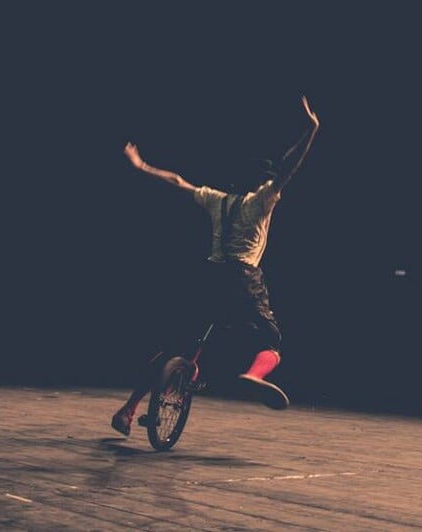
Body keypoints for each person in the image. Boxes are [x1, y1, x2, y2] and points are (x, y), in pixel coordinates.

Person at [111, 94, 320, 437]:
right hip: (243, 277)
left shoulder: (217, 199)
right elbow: (289, 167)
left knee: (180, 344)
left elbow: (177, 182)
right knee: (271, 340)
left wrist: (142, 165)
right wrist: (311, 130)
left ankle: (128, 410)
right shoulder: (262, 200)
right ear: (264, 183)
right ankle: (254, 374)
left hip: (209, 276)